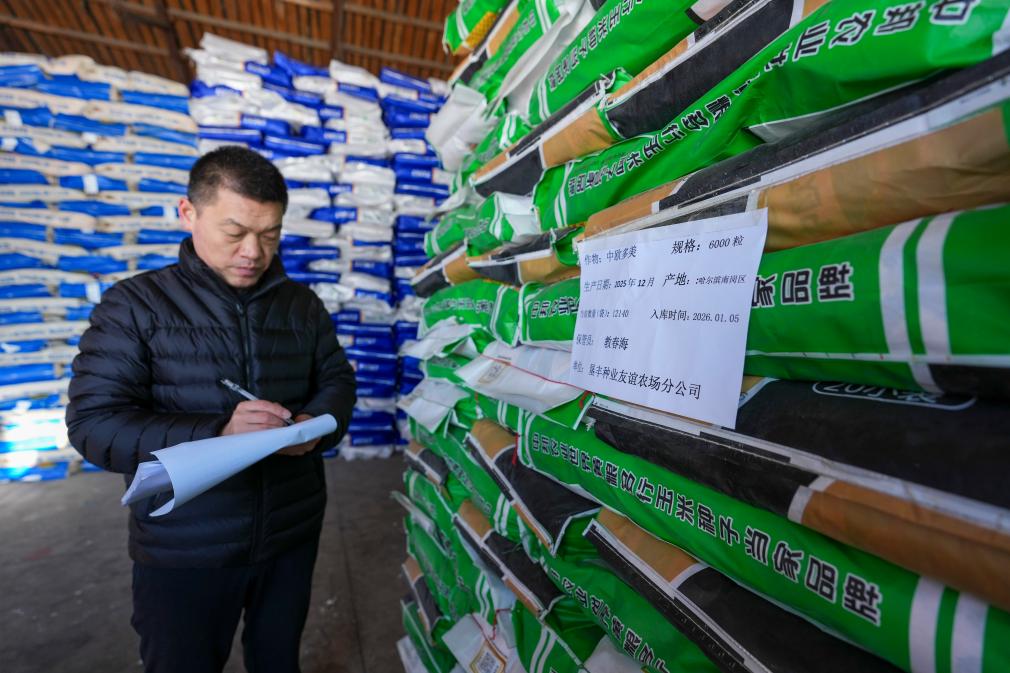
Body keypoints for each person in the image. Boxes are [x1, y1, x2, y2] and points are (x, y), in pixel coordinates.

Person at [66, 146, 356, 673]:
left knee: (278, 660)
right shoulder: (134, 307)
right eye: (235, 232)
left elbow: (337, 380)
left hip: (290, 532)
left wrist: (316, 423)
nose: (253, 252)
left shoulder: (301, 306)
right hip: (185, 547)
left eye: (270, 235)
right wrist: (218, 431)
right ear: (188, 213)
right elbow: (94, 427)